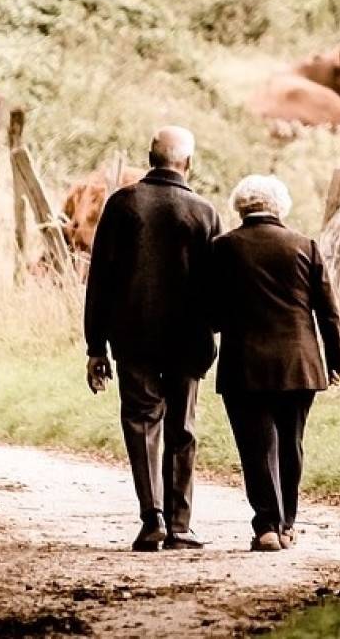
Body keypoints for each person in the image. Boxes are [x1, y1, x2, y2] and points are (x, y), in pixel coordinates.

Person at [83, 125, 221, 552]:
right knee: (182, 427)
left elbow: (99, 281)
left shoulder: (123, 205)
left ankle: (152, 519)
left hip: (133, 336)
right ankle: (181, 525)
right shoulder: (204, 212)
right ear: (189, 164)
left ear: (149, 157)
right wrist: (212, 329)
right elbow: (217, 285)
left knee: (142, 424)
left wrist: (95, 346)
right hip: (188, 339)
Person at [208, 175, 340, 552]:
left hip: (244, 364)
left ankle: (266, 526)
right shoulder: (305, 246)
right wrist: (336, 359)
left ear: (240, 206)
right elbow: (328, 311)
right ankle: (287, 524)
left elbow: (211, 311)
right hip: (299, 363)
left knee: (256, 446)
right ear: (279, 206)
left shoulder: (223, 248)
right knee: (291, 443)